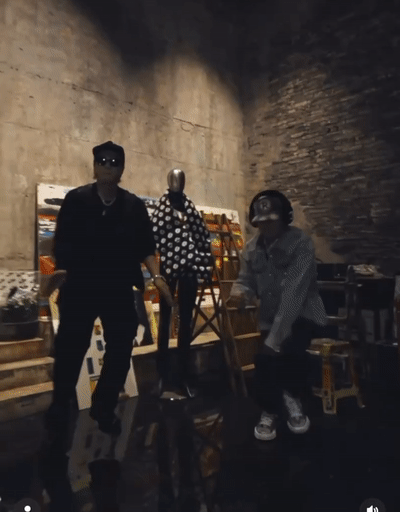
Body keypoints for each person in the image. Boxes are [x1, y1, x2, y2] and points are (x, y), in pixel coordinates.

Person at [44, 141, 174, 437]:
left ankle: (103, 405)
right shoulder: (77, 199)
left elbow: (146, 246)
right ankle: (60, 407)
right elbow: (61, 240)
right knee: (70, 349)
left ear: (121, 170)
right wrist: (61, 270)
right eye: (101, 161)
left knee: (122, 345)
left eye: (114, 162)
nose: (107, 166)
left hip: (117, 285)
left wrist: (157, 277)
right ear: (94, 166)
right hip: (81, 286)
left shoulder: (133, 206)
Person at [228, 190, 327, 441]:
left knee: (285, 351)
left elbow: (295, 293)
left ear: (285, 218)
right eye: (261, 222)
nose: (266, 227)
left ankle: (291, 400)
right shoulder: (251, 248)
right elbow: (245, 280)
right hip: (270, 316)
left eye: (271, 221)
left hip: (304, 314)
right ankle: (271, 409)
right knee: (267, 360)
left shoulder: (301, 244)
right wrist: (240, 294)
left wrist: (275, 338)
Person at [151, 168, 213, 398]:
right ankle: (162, 375)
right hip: (168, 268)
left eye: (181, 179)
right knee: (165, 321)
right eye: (175, 179)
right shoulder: (161, 208)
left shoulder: (189, 207)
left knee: (186, 322)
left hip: (189, 270)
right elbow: (152, 238)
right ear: (169, 182)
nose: (178, 183)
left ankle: (183, 376)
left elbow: (201, 236)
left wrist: (204, 265)